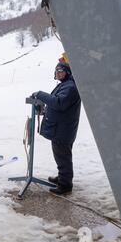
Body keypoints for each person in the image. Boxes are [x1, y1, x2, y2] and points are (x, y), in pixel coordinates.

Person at [32, 62, 81, 195]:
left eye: (61, 71)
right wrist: (44, 111)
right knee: (61, 156)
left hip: (63, 130)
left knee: (62, 157)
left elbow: (59, 103)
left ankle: (65, 185)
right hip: (61, 128)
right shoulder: (65, 85)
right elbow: (56, 104)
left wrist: (40, 94)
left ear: (68, 72)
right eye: (57, 71)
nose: (58, 73)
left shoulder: (70, 87)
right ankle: (62, 177)